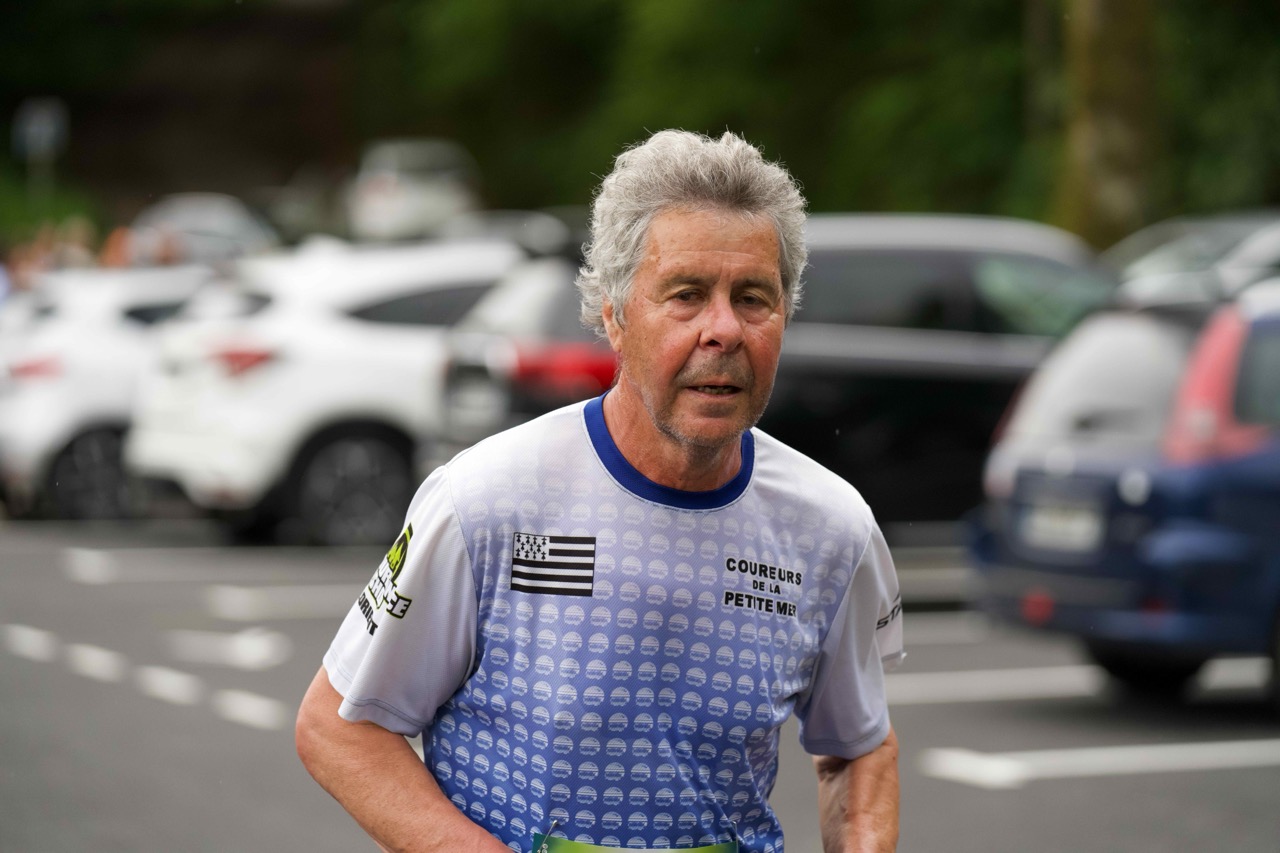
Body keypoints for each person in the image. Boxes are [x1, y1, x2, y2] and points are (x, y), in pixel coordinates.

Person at [297, 129, 904, 853]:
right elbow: (337, 725)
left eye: (753, 299)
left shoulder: (832, 528)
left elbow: (858, 748)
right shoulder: (484, 501)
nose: (723, 329)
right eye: (686, 295)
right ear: (614, 316)